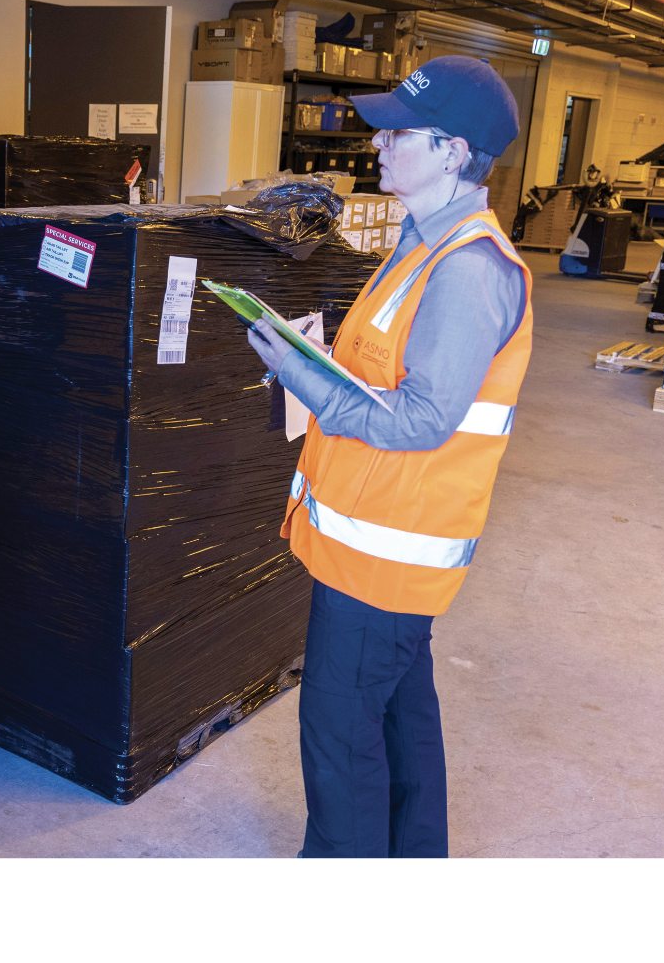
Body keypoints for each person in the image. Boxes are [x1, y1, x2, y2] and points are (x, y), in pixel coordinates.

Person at [244, 55, 533, 856]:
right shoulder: (420, 245)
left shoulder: (468, 269)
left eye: (397, 132)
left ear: (450, 151)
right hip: (373, 534)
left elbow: (420, 420)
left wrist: (293, 370)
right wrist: (310, 352)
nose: (377, 144)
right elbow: (382, 370)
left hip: (389, 549)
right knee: (399, 712)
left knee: (338, 728)